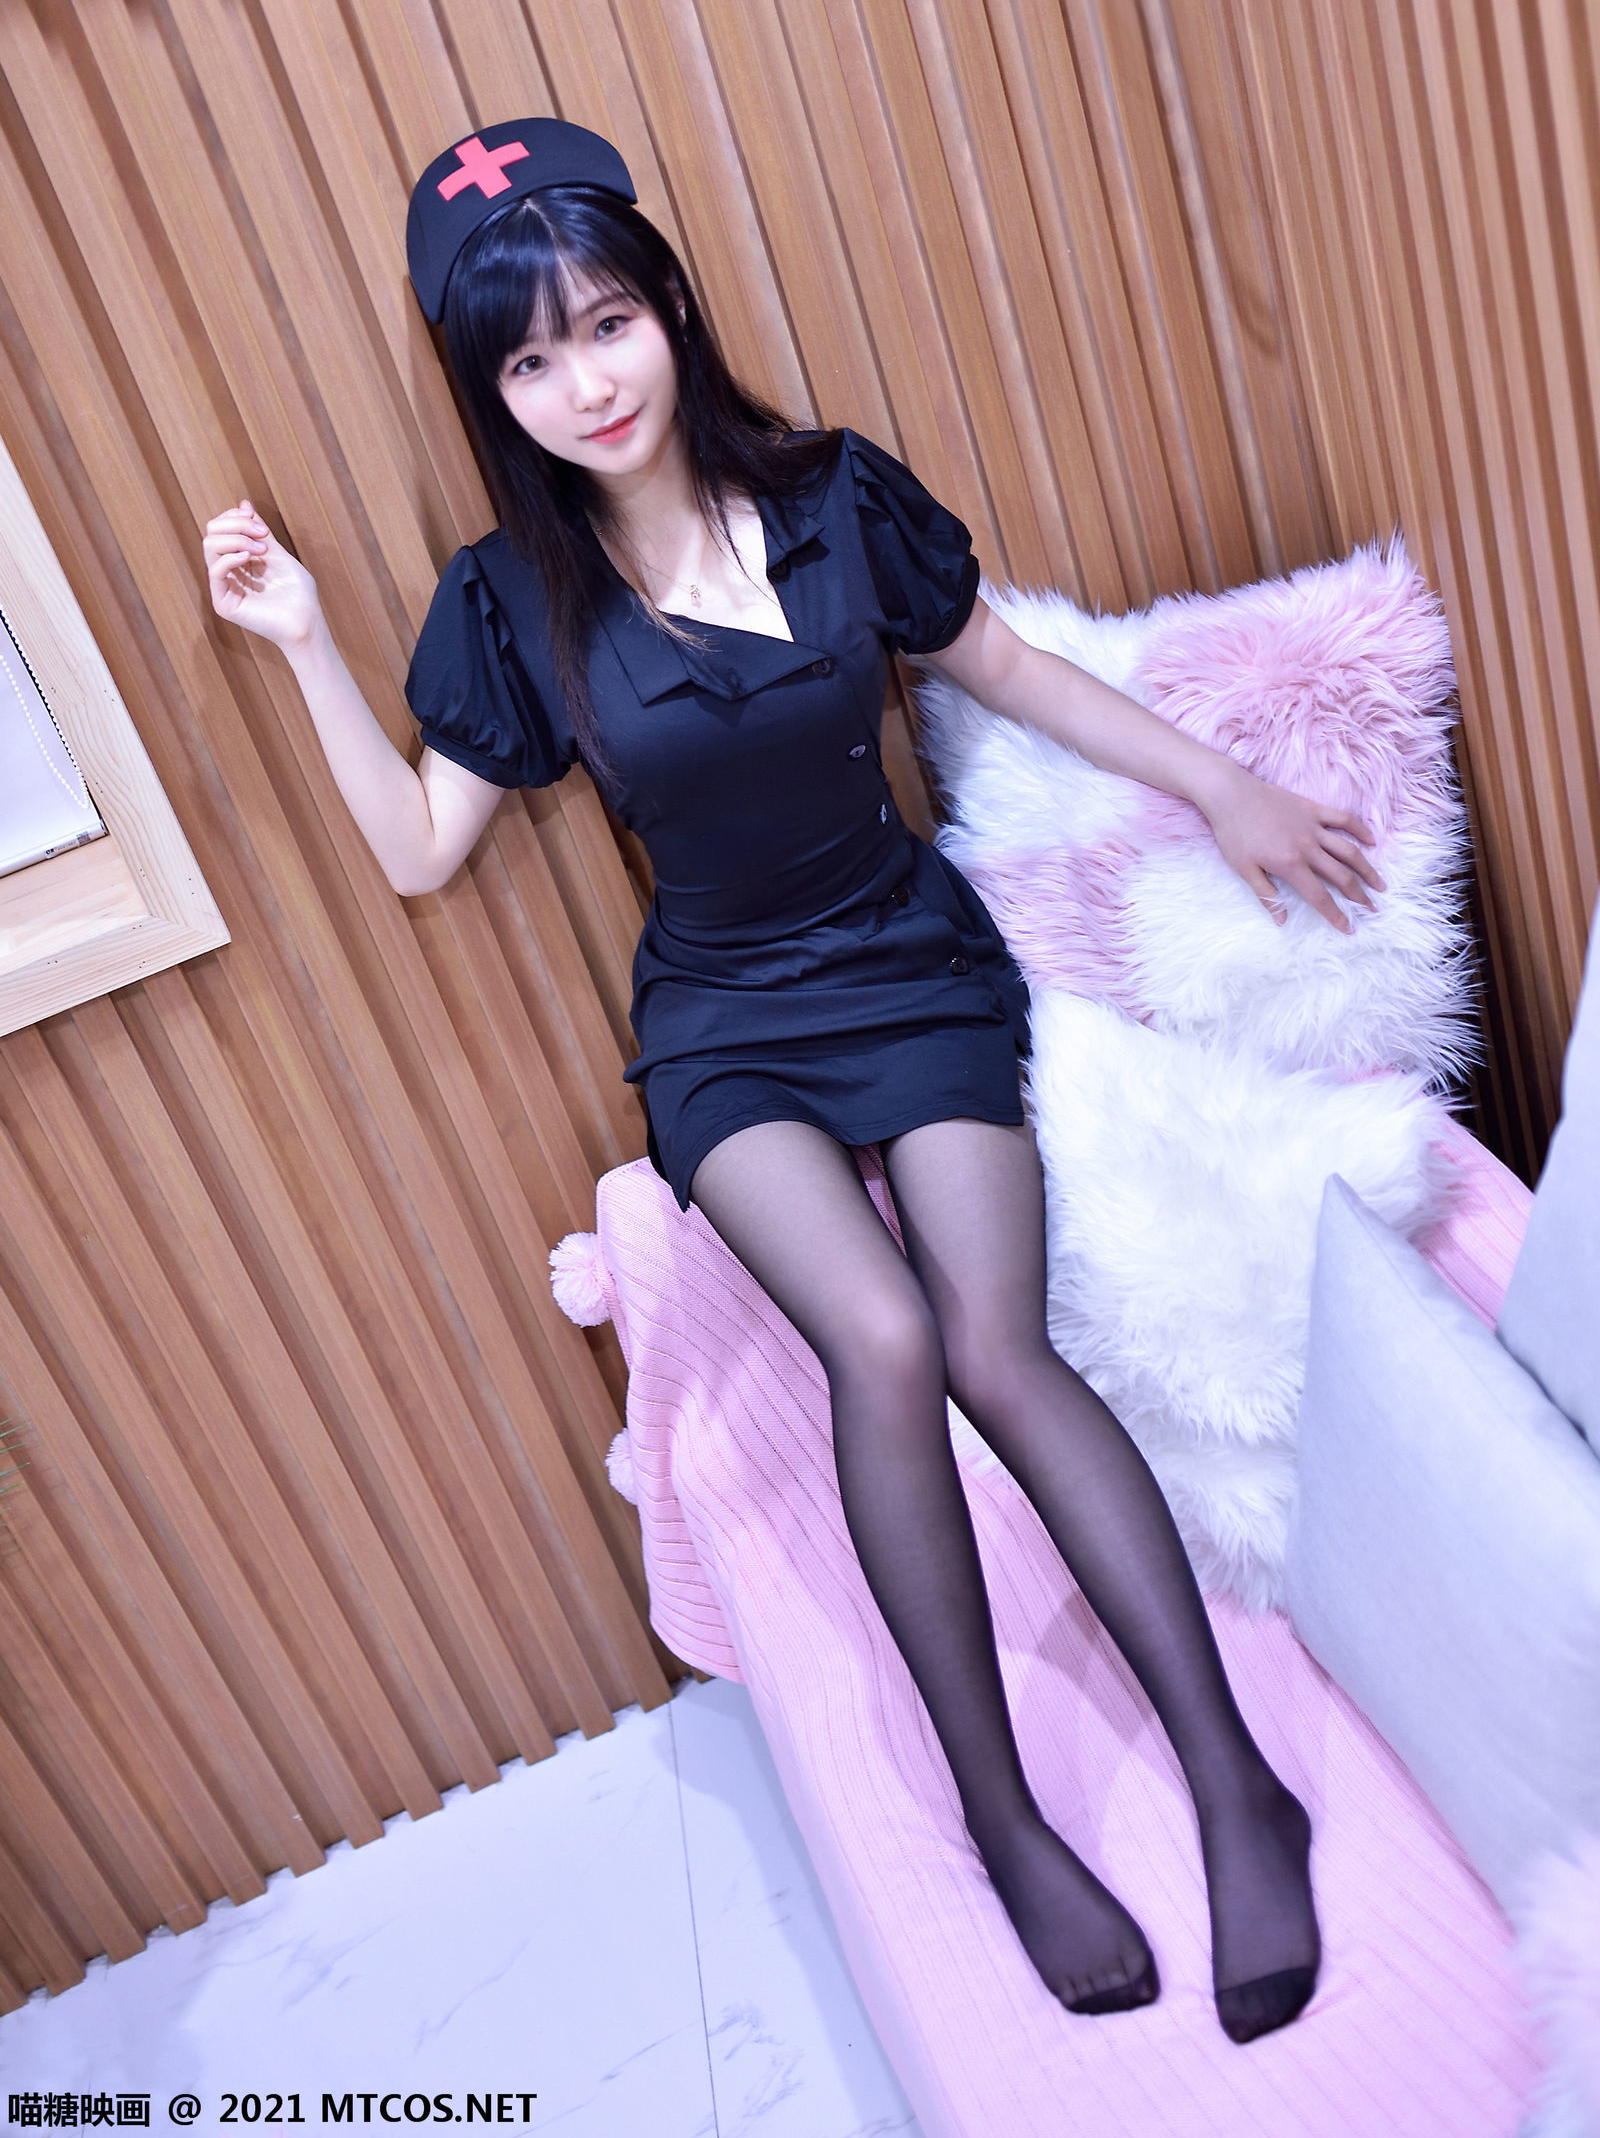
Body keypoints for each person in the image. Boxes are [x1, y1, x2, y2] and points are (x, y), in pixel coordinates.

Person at [204, 118, 1383, 2044]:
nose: (587, 382)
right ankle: (1007, 1822)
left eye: (607, 323)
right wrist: (306, 642)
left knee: (999, 1349)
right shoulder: (512, 603)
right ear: (492, 393)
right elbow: (420, 853)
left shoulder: (836, 498)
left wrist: (1225, 785)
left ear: (668, 307)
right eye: (530, 358)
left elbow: (1014, 672)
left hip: (910, 970)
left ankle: (1236, 1783)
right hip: (727, 1025)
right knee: (885, 1344)